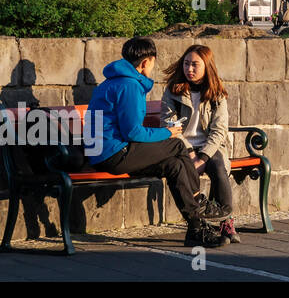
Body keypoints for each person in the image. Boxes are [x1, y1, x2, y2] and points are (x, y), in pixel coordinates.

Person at [86, 38, 230, 247]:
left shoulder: (115, 81)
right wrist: (167, 133)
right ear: (146, 62)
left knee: (174, 166)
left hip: (104, 151)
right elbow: (133, 132)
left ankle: (196, 229)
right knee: (178, 145)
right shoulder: (129, 86)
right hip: (113, 154)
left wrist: (163, 133)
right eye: (153, 62)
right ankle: (198, 200)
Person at [159, 45, 239, 246]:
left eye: (195, 64)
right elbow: (170, 126)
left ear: (207, 66)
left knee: (219, 166)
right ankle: (199, 225)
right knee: (183, 170)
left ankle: (225, 221)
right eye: (186, 64)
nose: (190, 69)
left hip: (210, 148)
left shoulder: (217, 93)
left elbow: (219, 130)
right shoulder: (173, 91)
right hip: (181, 147)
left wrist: (203, 156)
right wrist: (190, 153)